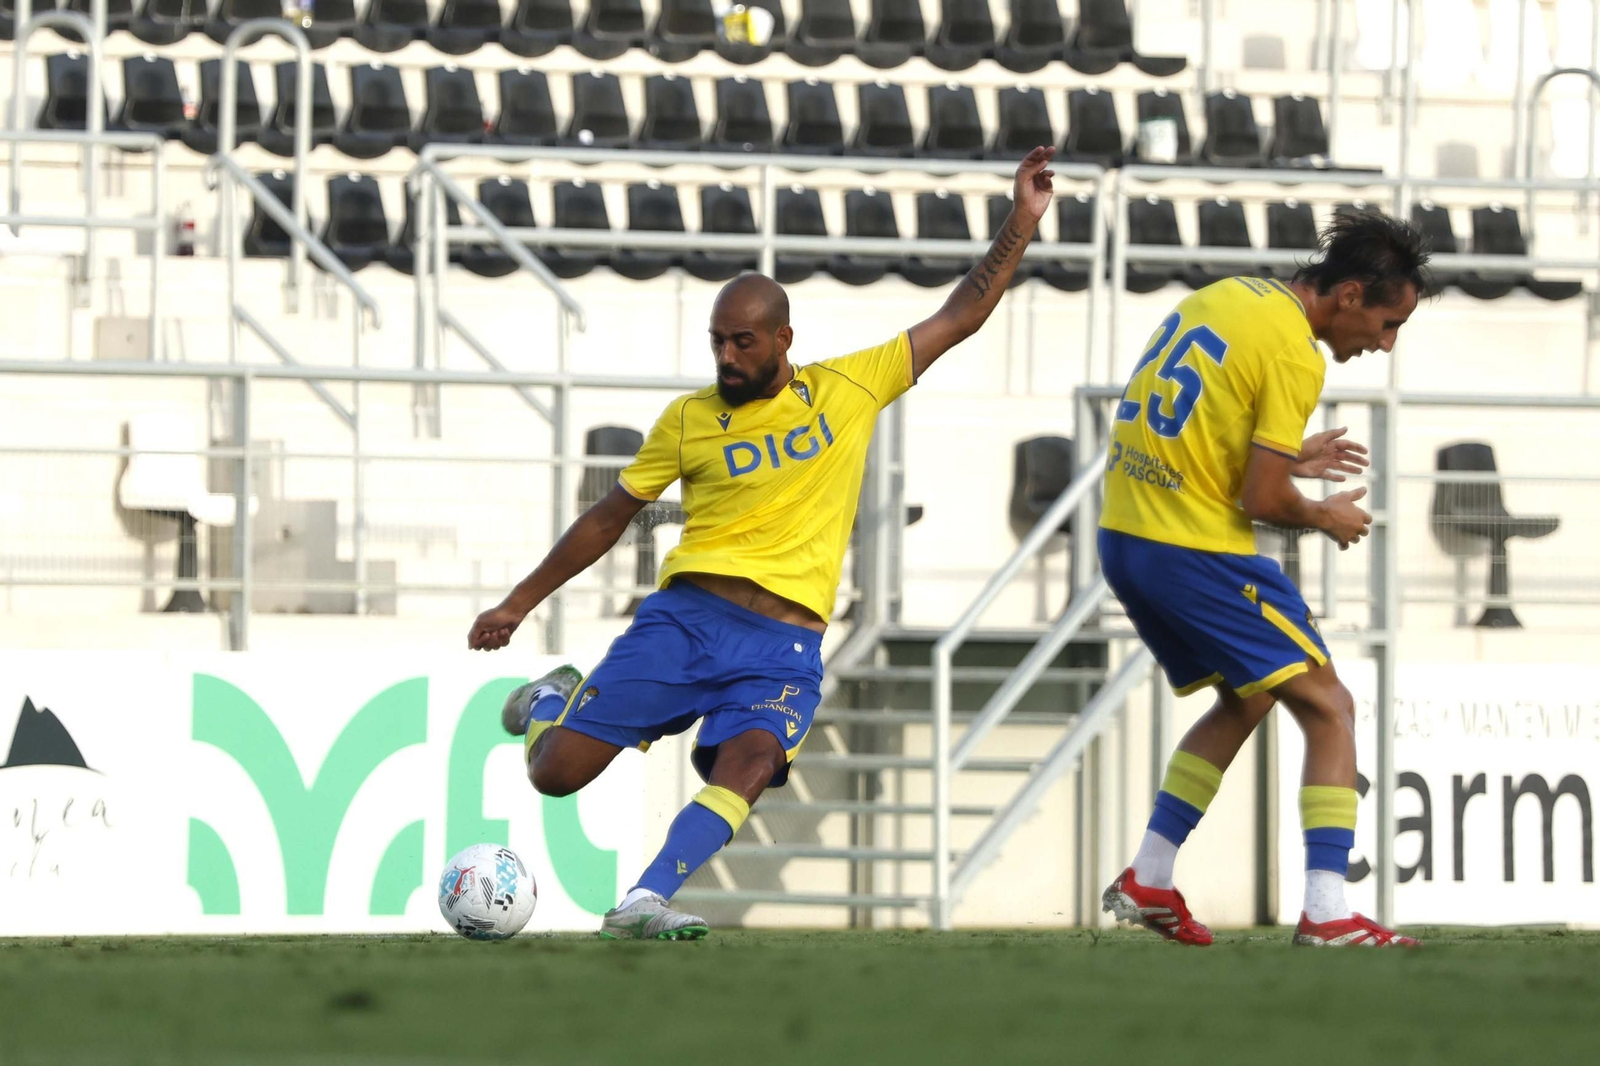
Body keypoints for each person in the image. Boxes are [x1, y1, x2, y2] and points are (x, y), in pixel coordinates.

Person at [468, 147, 1059, 940]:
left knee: (749, 762)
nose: (726, 358)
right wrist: (518, 602)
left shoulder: (848, 386)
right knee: (554, 777)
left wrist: (1020, 221)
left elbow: (963, 313)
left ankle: (643, 899)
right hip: (683, 623)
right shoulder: (687, 420)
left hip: (781, 646)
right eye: (717, 342)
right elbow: (610, 516)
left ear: (783, 337)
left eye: (743, 342)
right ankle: (550, 700)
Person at [1098, 212, 1430, 948]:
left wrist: (1283, 455)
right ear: (1347, 294)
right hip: (1196, 549)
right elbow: (1262, 502)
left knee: (1250, 695)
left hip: (1126, 535)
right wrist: (1322, 515)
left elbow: (1191, 419)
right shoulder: (1294, 353)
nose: (1384, 341)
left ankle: (1149, 876)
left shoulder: (1226, 296)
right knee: (1331, 708)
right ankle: (1326, 910)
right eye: (1387, 321)